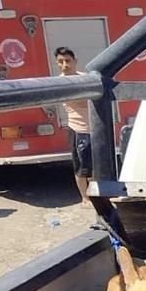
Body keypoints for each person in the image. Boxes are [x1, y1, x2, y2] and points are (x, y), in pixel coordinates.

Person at [55, 47, 92, 206]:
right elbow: (83, 100)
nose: (65, 65)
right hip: (78, 129)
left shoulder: (86, 78)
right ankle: (85, 198)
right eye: (61, 62)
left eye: (68, 61)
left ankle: (98, 196)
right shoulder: (59, 83)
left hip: (96, 129)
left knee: (96, 168)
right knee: (82, 168)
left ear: (75, 61)